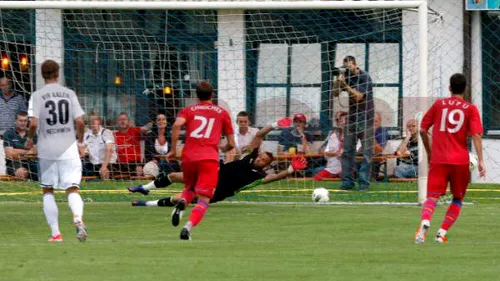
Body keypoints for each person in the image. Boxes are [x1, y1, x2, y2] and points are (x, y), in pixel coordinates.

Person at [128, 121, 307, 206]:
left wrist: (291, 169)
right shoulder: (249, 157)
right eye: (261, 157)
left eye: (264, 161)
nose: (260, 159)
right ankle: (145, 187)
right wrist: (275, 124)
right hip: (209, 175)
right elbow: (259, 135)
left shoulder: (258, 176)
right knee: (174, 176)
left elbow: (276, 177)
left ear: (266, 165)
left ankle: (146, 203)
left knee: (181, 198)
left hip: (217, 191)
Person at [414, 73, 485, 244]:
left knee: (432, 196)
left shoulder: (439, 105)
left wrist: (430, 151)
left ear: (449, 88)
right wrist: (481, 160)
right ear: (465, 89)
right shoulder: (470, 108)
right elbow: (476, 135)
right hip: (460, 161)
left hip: (439, 159)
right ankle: (441, 233)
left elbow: (422, 129)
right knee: (458, 198)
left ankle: (424, 224)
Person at [25, 60, 87, 243]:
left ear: (42, 75)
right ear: (58, 74)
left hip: (47, 147)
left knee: (47, 190)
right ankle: (77, 217)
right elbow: (80, 121)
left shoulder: (37, 95)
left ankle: (56, 234)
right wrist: (81, 140)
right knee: (73, 188)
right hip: (68, 146)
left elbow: (34, 122)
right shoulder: (69, 94)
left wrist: (29, 139)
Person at [165, 80, 235, 240]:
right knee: (204, 198)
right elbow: (231, 143)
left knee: (190, 187)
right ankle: (187, 228)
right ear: (212, 94)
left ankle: (183, 202)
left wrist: (173, 150)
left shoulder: (189, 110)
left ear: (197, 96)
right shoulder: (222, 112)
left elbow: (176, 126)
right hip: (209, 158)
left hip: (189, 156)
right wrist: (223, 148)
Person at [333, 55, 374, 191]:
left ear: (355, 65)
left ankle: (364, 183)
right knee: (347, 151)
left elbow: (358, 97)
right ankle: (347, 183)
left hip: (366, 118)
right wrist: (338, 81)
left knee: (367, 153)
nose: (347, 69)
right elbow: (335, 94)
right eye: (345, 67)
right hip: (352, 118)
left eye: (349, 66)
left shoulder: (364, 77)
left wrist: (345, 84)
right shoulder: (347, 77)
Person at [3, 111, 38, 180]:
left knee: (43, 170)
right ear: (16, 121)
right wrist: (27, 152)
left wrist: (16, 151)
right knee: (22, 173)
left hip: (31, 163)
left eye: (25, 121)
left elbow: (35, 153)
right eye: (20, 121)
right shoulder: (9, 133)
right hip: (14, 163)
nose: (23, 123)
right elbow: (9, 154)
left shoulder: (32, 134)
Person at [114, 112, 152, 177]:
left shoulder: (135, 130)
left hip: (134, 163)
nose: (123, 121)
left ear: (128, 121)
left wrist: (140, 165)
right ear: (117, 122)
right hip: (120, 164)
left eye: (125, 119)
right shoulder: (114, 135)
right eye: (120, 120)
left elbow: (149, 127)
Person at [143, 113, 180, 177]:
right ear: (155, 122)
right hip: (155, 161)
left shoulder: (171, 136)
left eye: (163, 119)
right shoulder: (150, 136)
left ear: (166, 122)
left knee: (170, 165)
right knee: (149, 168)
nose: (161, 121)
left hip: (168, 161)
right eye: (159, 120)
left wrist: (165, 158)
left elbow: (173, 152)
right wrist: (154, 159)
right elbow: (147, 153)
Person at [313, 111, 347, 180]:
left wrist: (345, 153)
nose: (341, 122)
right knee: (316, 178)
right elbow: (325, 152)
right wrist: (335, 153)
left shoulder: (354, 136)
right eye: (338, 120)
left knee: (346, 178)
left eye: (343, 120)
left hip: (346, 168)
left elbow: (357, 152)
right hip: (332, 168)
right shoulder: (333, 135)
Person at [81, 116, 117, 180]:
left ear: (99, 122)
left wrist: (104, 166)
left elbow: (109, 150)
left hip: (108, 163)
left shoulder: (106, 133)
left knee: (104, 172)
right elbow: (83, 151)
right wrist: (84, 152)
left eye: (95, 120)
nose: (93, 122)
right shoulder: (86, 135)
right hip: (93, 163)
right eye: (91, 121)